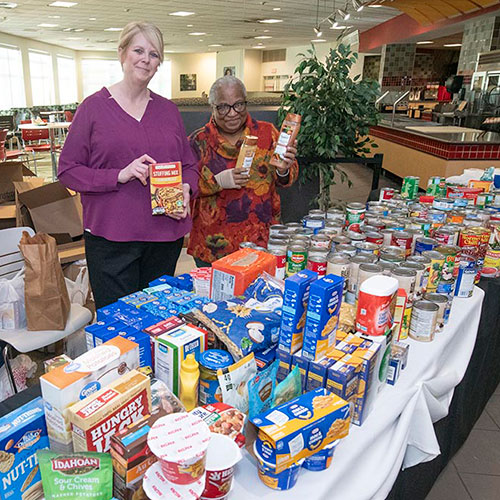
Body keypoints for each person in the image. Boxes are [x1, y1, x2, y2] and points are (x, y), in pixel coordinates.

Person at [58, 21, 199, 309]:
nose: (146, 59)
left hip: (163, 237)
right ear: (122, 54)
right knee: (118, 324)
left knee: (157, 322)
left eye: (154, 54)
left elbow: (190, 165)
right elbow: (68, 170)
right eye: (138, 50)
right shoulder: (93, 108)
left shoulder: (168, 110)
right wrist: (118, 175)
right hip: (112, 239)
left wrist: (186, 187)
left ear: (159, 63)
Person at [188, 76, 298, 266]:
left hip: (261, 241)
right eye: (223, 107)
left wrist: (283, 170)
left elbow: (287, 176)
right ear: (212, 107)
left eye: (238, 105)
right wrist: (217, 182)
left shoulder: (267, 133)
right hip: (212, 245)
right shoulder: (198, 141)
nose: (232, 113)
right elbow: (184, 188)